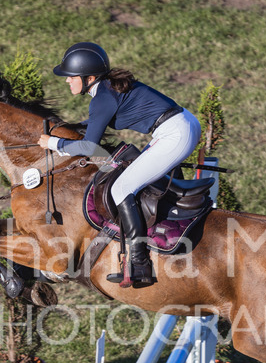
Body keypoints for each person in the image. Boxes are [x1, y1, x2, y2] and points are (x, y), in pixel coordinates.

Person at [37, 42, 201, 288]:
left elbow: (89, 147)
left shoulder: (102, 98)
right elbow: (95, 123)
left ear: (89, 78)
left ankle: (139, 262)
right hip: (181, 125)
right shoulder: (106, 90)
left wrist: (54, 143)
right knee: (139, 179)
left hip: (175, 133)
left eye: (71, 76)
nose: (67, 80)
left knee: (121, 188)